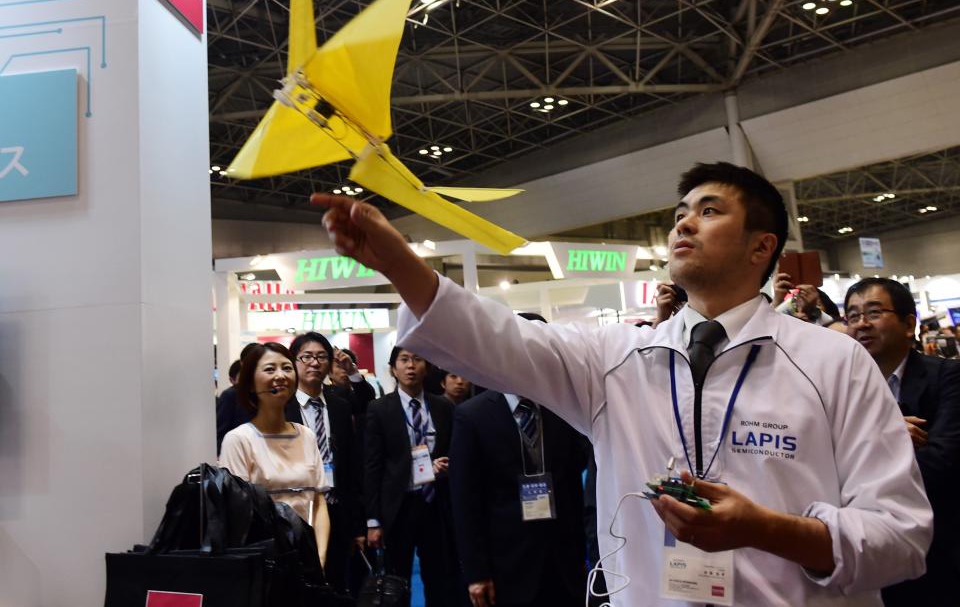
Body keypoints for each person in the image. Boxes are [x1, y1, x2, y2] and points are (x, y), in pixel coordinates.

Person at [312, 161, 932, 606]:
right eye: (679, 214)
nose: (683, 225)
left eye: (709, 212)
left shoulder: (833, 362)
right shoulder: (615, 355)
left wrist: (766, 529)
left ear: (761, 247)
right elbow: (496, 340)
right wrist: (398, 263)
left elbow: (901, 537)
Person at [844, 277, 960, 603]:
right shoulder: (843, 388)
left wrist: (860, 458)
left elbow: (942, 462)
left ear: (910, 324)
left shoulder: (947, 376)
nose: (861, 324)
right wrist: (887, 433)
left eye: (874, 312)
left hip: (935, 550)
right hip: (863, 547)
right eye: (852, 316)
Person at [449, 384, 588, 607]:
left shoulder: (559, 408)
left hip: (562, 559)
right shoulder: (472, 415)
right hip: (506, 562)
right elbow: (465, 501)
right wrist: (476, 572)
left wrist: (579, 553)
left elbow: (571, 486)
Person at [219, 342, 330, 563]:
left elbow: (318, 503)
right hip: (263, 563)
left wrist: (319, 557)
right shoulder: (239, 440)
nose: (280, 376)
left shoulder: (305, 436)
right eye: (270, 369)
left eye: (287, 368)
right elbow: (238, 516)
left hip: (307, 559)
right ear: (250, 383)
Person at [364, 347, 454, 606]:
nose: (411, 366)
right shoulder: (379, 409)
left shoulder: (443, 407)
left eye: (417, 359)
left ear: (426, 366)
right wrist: (373, 521)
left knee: (440, 578)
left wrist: (448, 465)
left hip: (437, 505)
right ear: (393, 368)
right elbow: (372, 467)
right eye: (404, 360)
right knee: (397, 582)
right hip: (399, 507)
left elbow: (455, 450)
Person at [287, 332, 363, 595]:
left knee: (337, 584)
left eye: (321, 357)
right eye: (306, 357)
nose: (314, 363)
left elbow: (352, 468)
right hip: (296, 513)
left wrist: (358, 526)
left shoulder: (340, 406)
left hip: (338, 510)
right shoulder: (281, 408)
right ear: (294, 362)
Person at [330, 345, 377, 416]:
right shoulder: (325, 396)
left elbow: (368, 401)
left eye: (348, 364)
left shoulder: (363, 391)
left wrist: (352, 372)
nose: (344, 369)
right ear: (329, 372)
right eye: (339, 366)